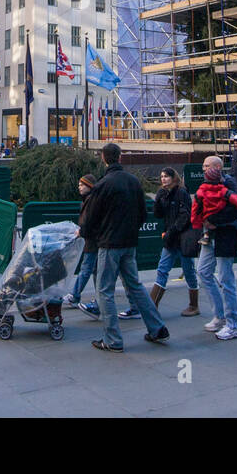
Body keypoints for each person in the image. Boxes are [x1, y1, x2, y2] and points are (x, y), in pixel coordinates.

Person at [79, 143, 169, 352]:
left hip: (109, 243)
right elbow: (143, 212)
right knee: (135, 285)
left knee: (105, 290)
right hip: (129, 242)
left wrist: (90, 233)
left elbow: (91, 218)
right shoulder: (133, 181)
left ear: (103, 158)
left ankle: (113, 340)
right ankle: (157, 328)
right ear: (120, 158)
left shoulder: (103, 184)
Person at [192, 157, 237, 340]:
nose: (203, 169)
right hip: (213, 234)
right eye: (203, 166)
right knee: (203, 272)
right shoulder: (212, 185)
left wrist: (211, 221)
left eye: (206, 166)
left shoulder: (229, 184)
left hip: (225, 235)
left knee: (226, 278)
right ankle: (220, 316)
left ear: (217, 167)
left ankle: (233, 324)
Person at [151, 167, 201, 317]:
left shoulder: (181, 193)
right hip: (171, 238)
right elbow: (158, 214)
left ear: (174, 178)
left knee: (188, 271)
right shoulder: (164, 194)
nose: (163, 179)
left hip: (183, 238)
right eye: (161, 176)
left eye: (166, 176)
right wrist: (158, 200)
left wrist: (171, 232)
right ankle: (152, 306)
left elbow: (184, 216)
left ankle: (194, 304)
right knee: (162, 269)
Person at [63, 175, 100, 315]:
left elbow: (91, 221)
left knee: (86, 268)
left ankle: (75, 295)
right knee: (95, 270)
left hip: (92, 240)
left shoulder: (91, 201)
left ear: (89, 186)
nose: (79, 187)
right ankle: (97, 299)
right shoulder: (88, 200)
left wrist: (82, 231)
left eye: (82, 184)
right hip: (92, 239)